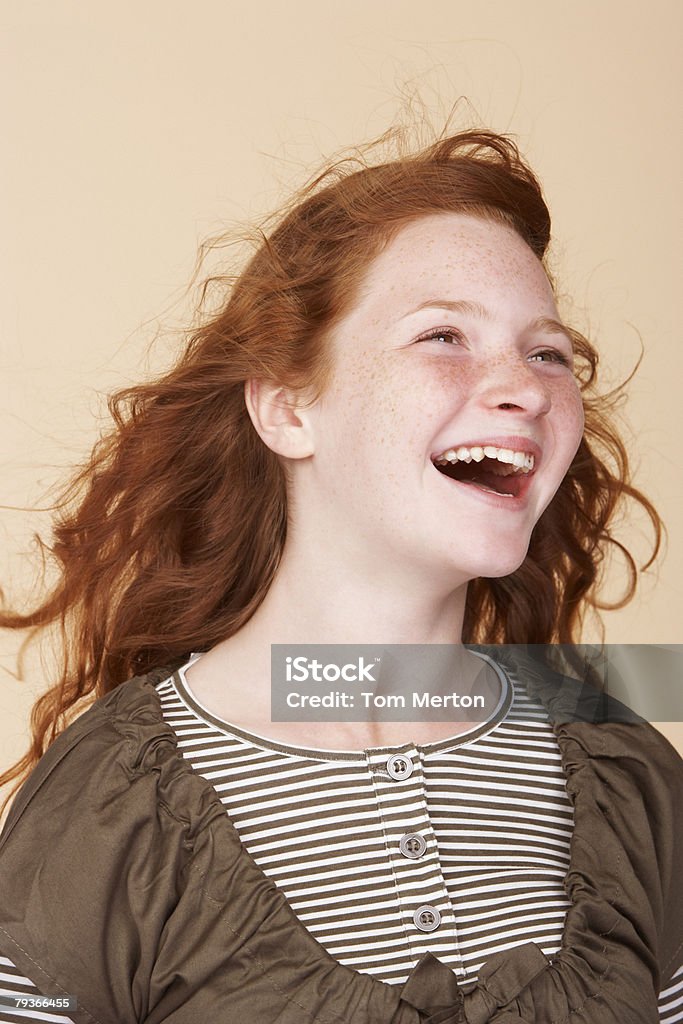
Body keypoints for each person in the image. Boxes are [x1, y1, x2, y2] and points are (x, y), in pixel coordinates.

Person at [0, 126, 681, 1023]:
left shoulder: (628, 773)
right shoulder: (107, 811)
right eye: (443, 335)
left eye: (547, 351)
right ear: (287, 409)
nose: (522, 385)